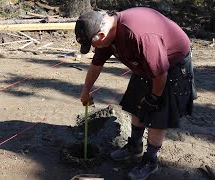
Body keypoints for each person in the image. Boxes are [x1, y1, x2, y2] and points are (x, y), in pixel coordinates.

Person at [74, 7, 197, 180]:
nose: (93, 48)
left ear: (101, 36)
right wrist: (86, 91)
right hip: (146, 66)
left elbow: (161, 73)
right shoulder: (106, 33)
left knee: (156, 115)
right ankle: (134, 146)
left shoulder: (139, 36)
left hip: (170, 66)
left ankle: (150, 161)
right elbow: (96, 64)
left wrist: (153, 98)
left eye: (91, 44)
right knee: (137, 105)